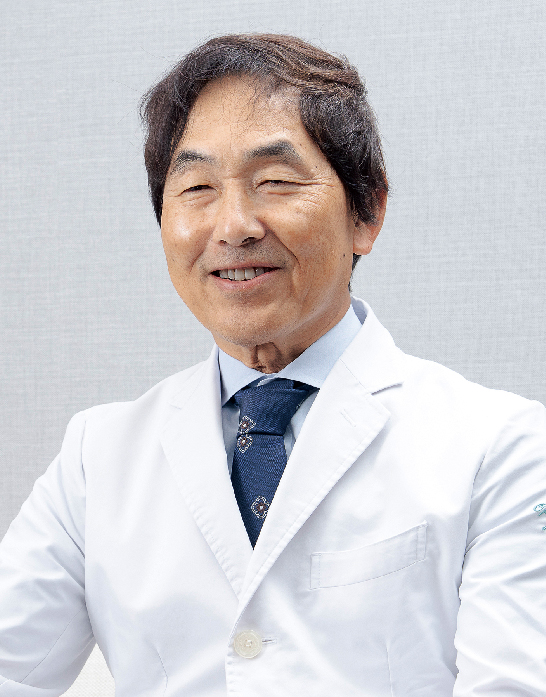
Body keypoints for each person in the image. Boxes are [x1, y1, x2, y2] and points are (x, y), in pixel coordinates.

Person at [0, 33, 545, 697]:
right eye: (196, 187)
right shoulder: (97, 458)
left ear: (367, 212)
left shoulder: (502, 447)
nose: (234, 225)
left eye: (275, 182)